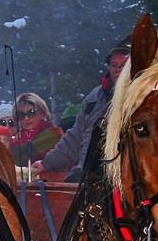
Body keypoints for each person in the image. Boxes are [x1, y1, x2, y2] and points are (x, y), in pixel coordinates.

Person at [32, 34, 130, 182]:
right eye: (114, 65)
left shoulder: (140, 98)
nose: (117, 69)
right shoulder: (94, 97)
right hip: (87, 175)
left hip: (122, 177)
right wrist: (48, 163)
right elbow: (75, 137)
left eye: (123, 65)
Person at [8, 92, 62, 167]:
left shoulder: (55, 134)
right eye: (21, 115)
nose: (26, 118)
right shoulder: (15, 141)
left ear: (42, 113)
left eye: (31, 112)